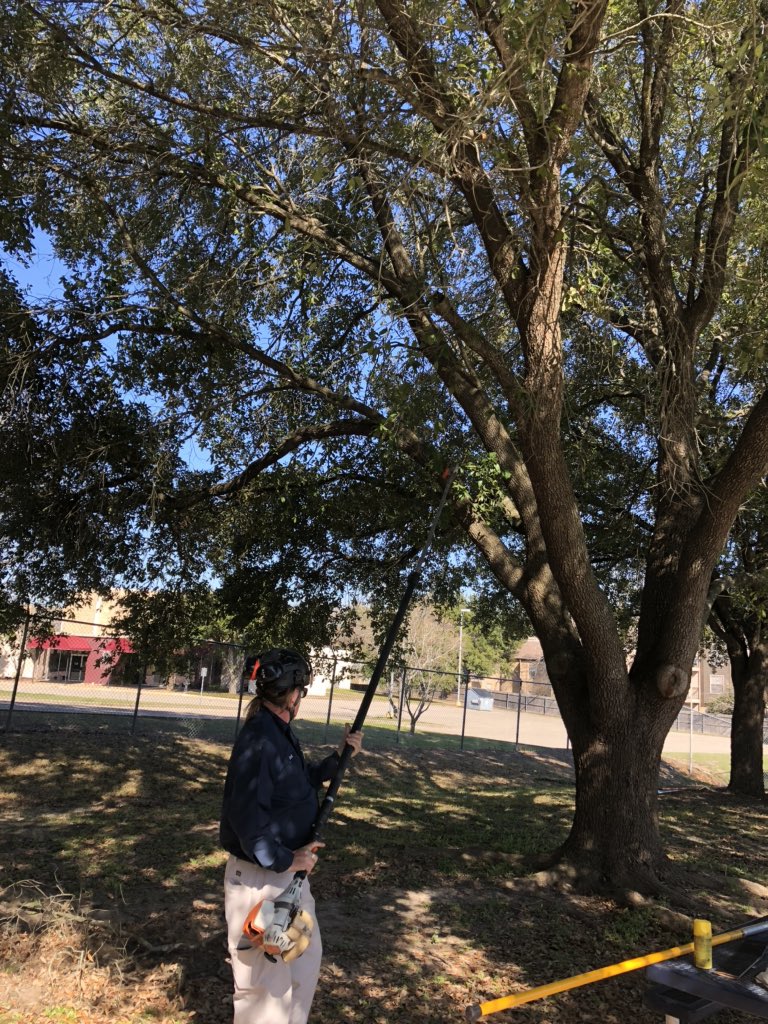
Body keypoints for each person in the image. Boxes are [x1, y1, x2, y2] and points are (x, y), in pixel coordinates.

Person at [220, 648, 363, 1024]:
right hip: (260, 880)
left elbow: (298, 783)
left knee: (302, 972)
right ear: (293, 694)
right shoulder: (260, 741)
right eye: (301, 689)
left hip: (290, 880)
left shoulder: (278, 733)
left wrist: (339, 757)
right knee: (265, 992)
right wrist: (288, 859)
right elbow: (248, 822)